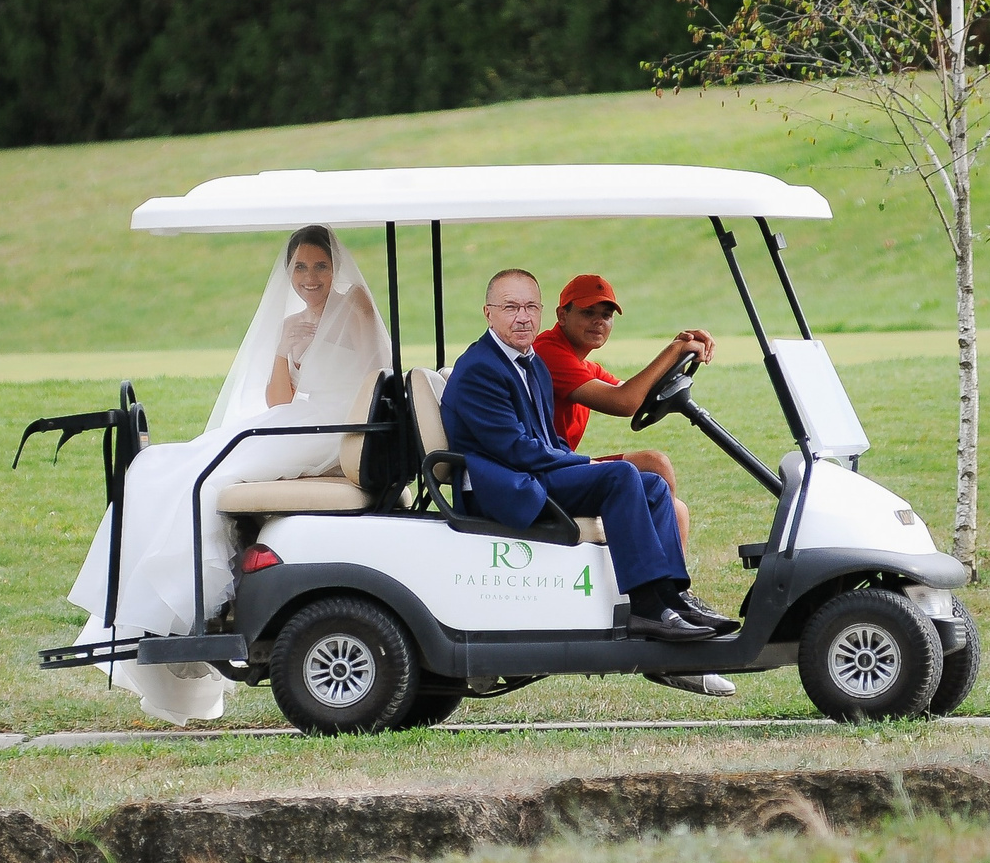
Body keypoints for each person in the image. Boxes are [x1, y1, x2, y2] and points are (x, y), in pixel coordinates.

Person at [67, 225, 391, 723]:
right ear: (288, 272)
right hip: (296, 419)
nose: (310, 277)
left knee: (209, 480)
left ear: (336, 268)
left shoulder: (356, 308)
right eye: (300, 268)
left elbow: (373, 372)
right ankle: (143, 607)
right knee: (159, 468)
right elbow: (279, 400)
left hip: (336, 425)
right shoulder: (292, 324)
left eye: (320, 266)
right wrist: (288, 347)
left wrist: (324, 339)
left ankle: (183, 600)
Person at [439, 268, 733, 643]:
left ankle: (670, 597)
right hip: (503, 487)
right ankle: (646, 609)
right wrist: (587, 464)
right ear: (488, 313)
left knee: (654, 485)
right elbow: (515, 450)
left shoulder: (529, 363)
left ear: (543, 312)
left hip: (531, 472)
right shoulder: (481, 368)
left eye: (530, 307)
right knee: (622, 476)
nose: (522, 316)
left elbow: (548, 438)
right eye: (510, 307)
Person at [531, 273, 714, 551]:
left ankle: (676, 590)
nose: (599, 321)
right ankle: (659, 581)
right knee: (656, 463)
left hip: (563, 465)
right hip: (545, 471)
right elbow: (624, 402)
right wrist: (674, 350)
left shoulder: (582, 364)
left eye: (606, 315)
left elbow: (633, 391)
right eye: (588, 312)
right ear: (562, 315)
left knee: (677, 510)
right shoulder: (549, 353)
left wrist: (677, 354)